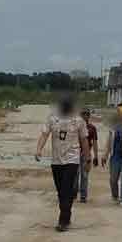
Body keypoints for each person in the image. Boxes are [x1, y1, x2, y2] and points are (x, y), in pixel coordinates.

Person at [35, 95, 89, 231]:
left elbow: (84, 141)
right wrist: (39, 149)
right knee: (61, 191)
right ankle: (66, 213)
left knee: (66, 188)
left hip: (72, 160)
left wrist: (87, 159)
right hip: (56, 160)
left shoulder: (79, 121)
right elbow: (44, 135)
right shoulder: (53, 118)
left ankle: (63, 220)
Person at [101, 104, 122, 204]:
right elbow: (108, 143)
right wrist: (104, 156)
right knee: (113, 179)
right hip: (115, 158)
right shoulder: (113, 128)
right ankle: (115, 196)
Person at [74, 108, 98, 202]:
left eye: (87, 114)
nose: (85, 116)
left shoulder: (92, 128)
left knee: (84, 175)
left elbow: (95, 142)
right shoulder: (75, 127)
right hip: (75, 153)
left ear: (89, 116)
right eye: (83, 114)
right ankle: (73, 193)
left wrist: (95, 156)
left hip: (86, 154)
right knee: (74, 175)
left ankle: (83, 196)